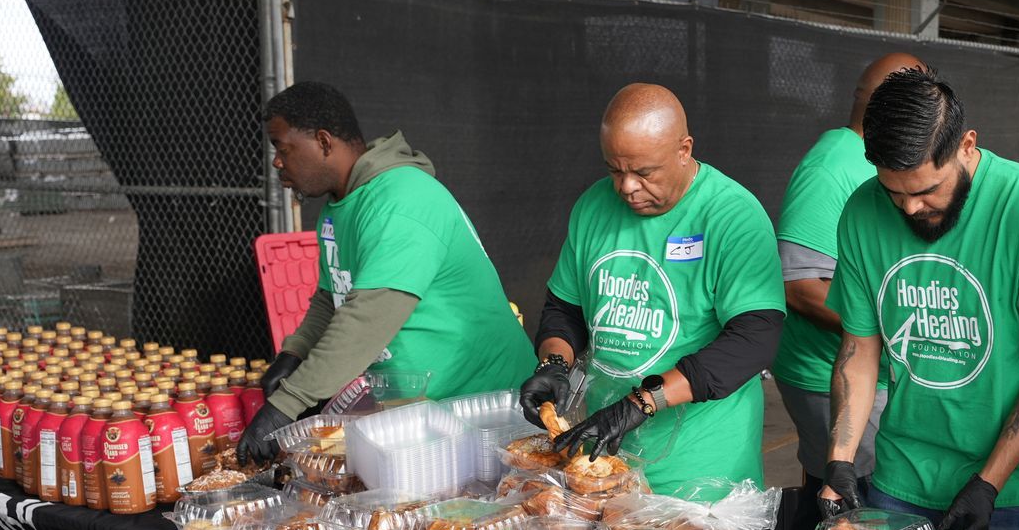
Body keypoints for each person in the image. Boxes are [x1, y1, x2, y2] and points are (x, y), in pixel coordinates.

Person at [819, 67, 1019, 530]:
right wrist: (840, 461)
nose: (909, 209)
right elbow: (858, 350)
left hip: (1010, 488)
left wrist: (988, 483)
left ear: (967, 145)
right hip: (901, 476)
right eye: (895, 192)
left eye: (927, 190)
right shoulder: (862, 212)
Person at [239, 82, 535, 463]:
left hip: (485, 411)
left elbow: (366, 318)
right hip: (422, 412)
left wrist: (288, 402)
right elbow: (333, 298)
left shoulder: (402, 200)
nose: (277, 161)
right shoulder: (338, 205)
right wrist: (294, 354)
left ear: (324, 142)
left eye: (283, 147)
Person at [520, 84, 784, 494]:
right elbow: (565, 308)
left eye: (643, 172)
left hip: (700, 474)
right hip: (603, 459)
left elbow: (753, 340)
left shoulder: (732, 216)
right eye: (614, 170)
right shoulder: (593, 207)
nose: (626, 187)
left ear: (684, 149)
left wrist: (643, 402)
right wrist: (554, 364)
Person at [772, 52, 923, 530]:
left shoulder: (872, 160)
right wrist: (886, 334)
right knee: (857, 512)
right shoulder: (833, 165)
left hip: (864, 370)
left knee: (845, 497)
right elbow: (799, 286)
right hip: (827, 372)